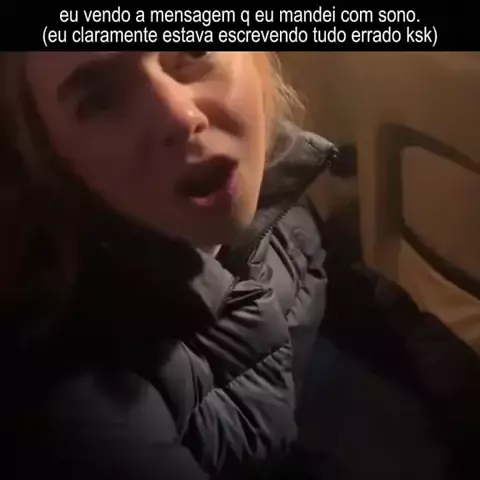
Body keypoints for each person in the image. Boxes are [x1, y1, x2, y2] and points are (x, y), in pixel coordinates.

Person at [0, 52, 478, 480]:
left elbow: (370, 309)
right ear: (51, 157)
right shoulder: (80, 408)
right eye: (100, 100)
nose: (181, 116)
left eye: (194, 48)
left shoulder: (272, 183)